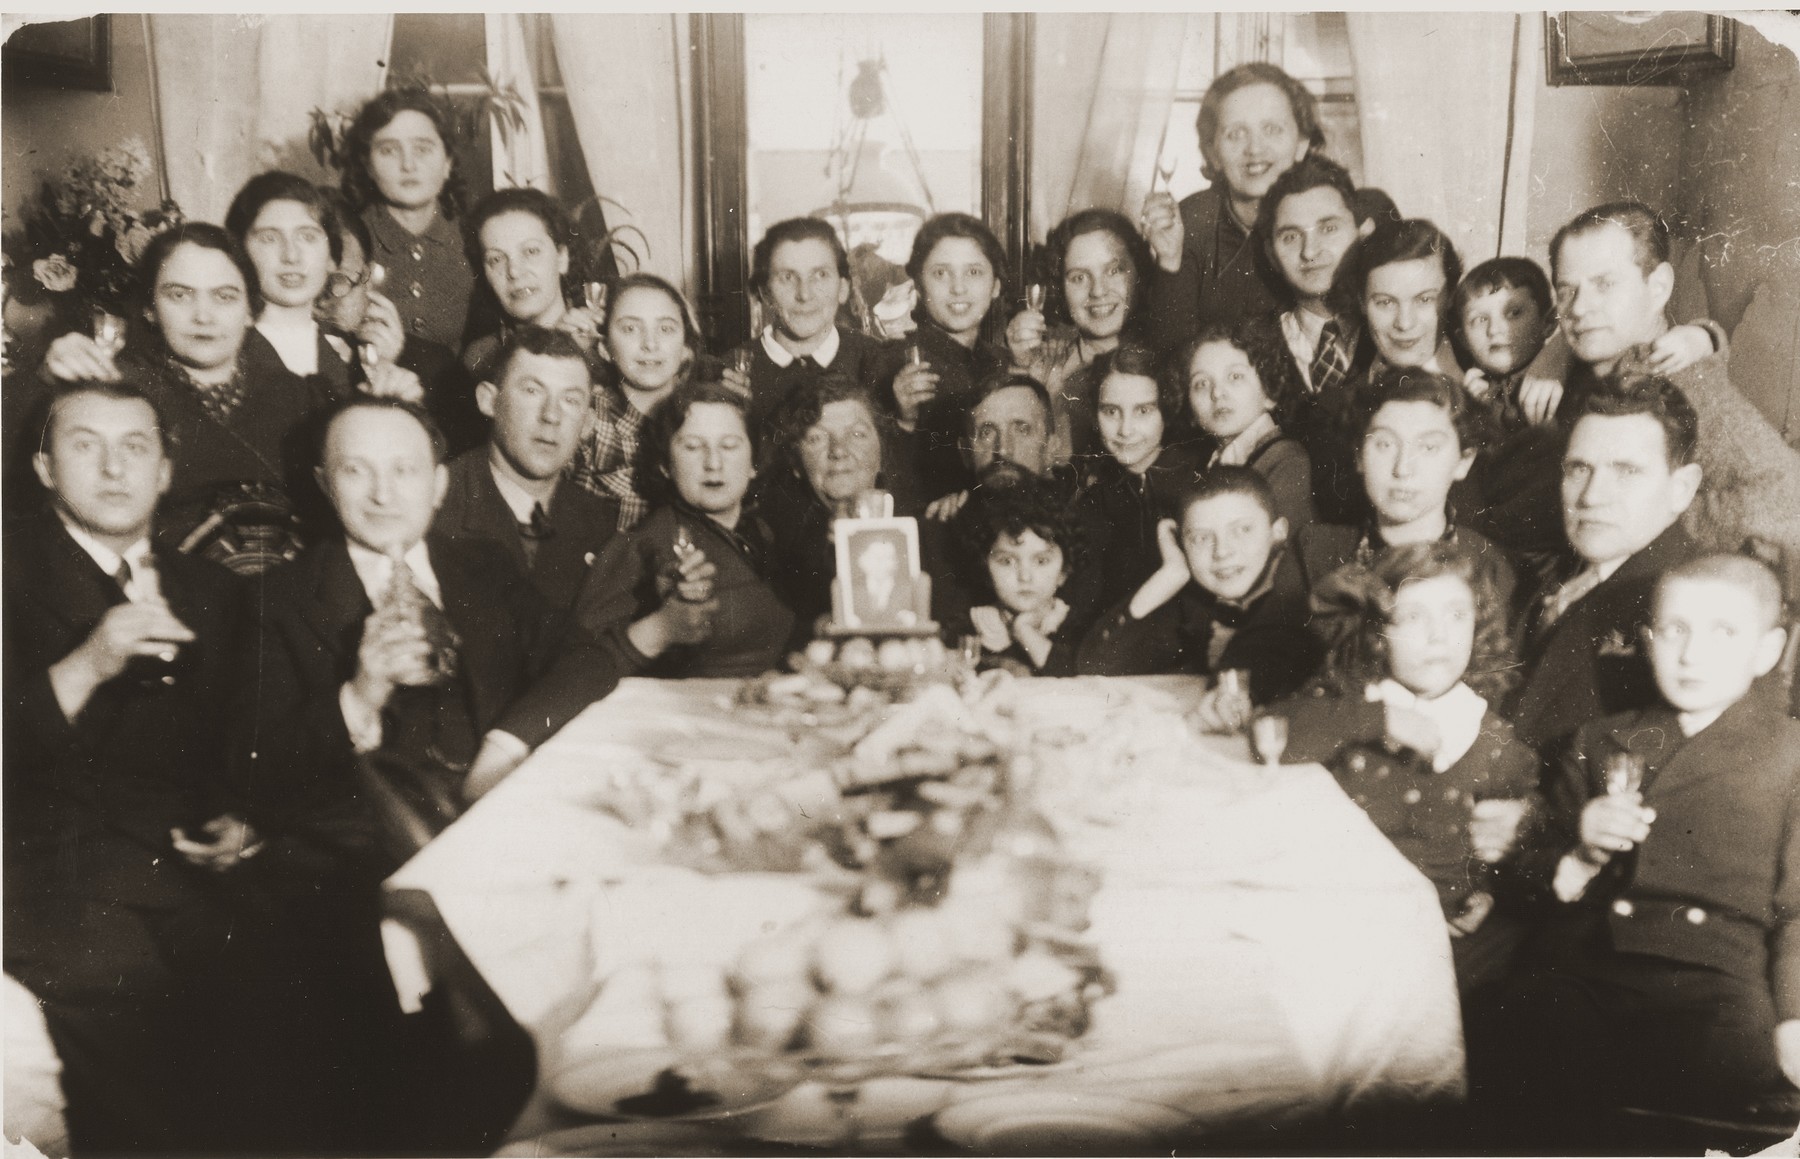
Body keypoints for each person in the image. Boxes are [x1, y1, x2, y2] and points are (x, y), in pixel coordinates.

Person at [4, 382, 271, 1154]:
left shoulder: (214, 592)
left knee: (290, 962)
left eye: (136, 447)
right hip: (41, 869)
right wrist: (86, 664)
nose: (114, 467)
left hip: (182, 863)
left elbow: (246, 738)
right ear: (46, 467)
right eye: (85, 444)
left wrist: (243, 817)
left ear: (164, 471)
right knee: (132, 1003)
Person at [1470, 552, 1800, 1144]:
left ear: (1769, 650)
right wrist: (1580, 854)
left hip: (1711, 981)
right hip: (1583, 966)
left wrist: (1797, 1016)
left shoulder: (1789, 754)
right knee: (1519, 1061)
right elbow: (1525, 877)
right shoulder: (1599, 741)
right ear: (1647, 641)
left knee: (1723, 1100)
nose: (1691, 654)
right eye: (1675, 630)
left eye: (1723, 632)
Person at [1271, 540, 1539, 993]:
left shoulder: (1493, 738)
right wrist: (1378, 719)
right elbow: (1271, 734)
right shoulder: (1354, 703)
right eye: (1414, 617)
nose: (1438, 636)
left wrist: (1491, 888)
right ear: (1378, 633)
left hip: (1438, 940)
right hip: (1336, 921)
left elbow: (1521, 830)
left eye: (1456, 615)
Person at [39, 223, 325, 568]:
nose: (203, 316)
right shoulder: (116, 388)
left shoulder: (297, 396)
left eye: (224, 296)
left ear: (250, 310)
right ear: (149, 308)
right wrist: (46, 374)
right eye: (179, 295)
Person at [1550, 201, 1800, 597]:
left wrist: (1671, 522)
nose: (1579, 309)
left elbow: (1790, 497)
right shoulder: (1597, 372)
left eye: (1605, 284)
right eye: (1566, 291)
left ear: (1659, 288)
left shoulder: (1683, 381)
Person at [1508, 373, 1704, 756]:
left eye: (1626, 471)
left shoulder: (1696, 604)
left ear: (1681, 489)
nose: (1592, 496)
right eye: (1579, 469)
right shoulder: (1547, 571)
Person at [1076, 467, 1323, 713]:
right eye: (1201, 538)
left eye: (1243, 530)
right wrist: (1170, 575)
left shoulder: (1309, 575)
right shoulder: (1195, 607)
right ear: (1182, 544)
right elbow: (1094, 666)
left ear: (1278, 532)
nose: (1222, 551)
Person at [1294, 368, 1516, 618]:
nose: (1403, 468)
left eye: (1429, 447)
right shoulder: (1314, 553)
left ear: (1464, 461)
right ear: (1358, 455)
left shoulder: (1489, 567)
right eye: (1385, 444)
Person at [433, 326, 620, 613]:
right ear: (488, 400)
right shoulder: (435, 505)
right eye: (532, 391)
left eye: (570, 400)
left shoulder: (600, 524)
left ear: (587, 424)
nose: (551, 416)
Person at [1140, 62, 1324, 347]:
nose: (1254, 148)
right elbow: (1169, 354)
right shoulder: (1191, 220)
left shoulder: (1337, 215)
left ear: (1301, 143)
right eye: (1236, 134)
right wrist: (1169, 261)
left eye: (1272, 129)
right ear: (1212, 152)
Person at [1237, 154, 1377, 522]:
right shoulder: (1246, 350)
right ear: (1270, 251)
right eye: (1290, 236)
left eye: (1328, 229)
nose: (1310, 252)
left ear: (1363, 233)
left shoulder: (1395, 334)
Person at [920, 372, 1106, 632]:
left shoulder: (1087, 530)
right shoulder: (939, 532)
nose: (1003, 449)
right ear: (965, 452)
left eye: (1022, 429)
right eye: (986, 432)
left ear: (1052, 446)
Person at [318, 191, 485, 455]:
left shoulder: (436, 369)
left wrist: (382, 369)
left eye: (338, 281)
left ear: (368, 277)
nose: (320, 300)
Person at [759, 375, 916, 637]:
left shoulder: (920, 529)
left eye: (857, 434)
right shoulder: (778, 544)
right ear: (797, 463)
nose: (838, 450)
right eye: (817, 438)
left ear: (882, 454)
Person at [1005, 208, 1155, 467]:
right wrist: (1022, 372)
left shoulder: (1161, 361)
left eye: (1114, 270)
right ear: (1060, 289)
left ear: (1137, 273)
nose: (1098, 291)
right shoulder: (1046, 365)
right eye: (1079, 277)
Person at [723, 217, 893, 437]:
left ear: (843, 288)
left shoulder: (878, 361)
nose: (804, 294)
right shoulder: (730, 374)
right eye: (787, 277)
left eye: (820, 275)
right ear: (765, 292)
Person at [569, 273, 710, 530]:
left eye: (665, 329)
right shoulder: (586, 419)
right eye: (630, 328)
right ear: (605, 347)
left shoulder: (708, 420)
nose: (650, 344)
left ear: (686, 348)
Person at [340, 87, 476, 350]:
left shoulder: (474, 241)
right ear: (368, 165)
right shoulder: (346, 241)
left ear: (447, 161)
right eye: (389, 150)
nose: (408, 165)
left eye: (423, 149)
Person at [884, 213, 1010, 496]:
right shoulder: (892, 362)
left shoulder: (1004, 362)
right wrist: (904, 420)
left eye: (974, 272)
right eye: (941, 273)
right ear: (918, 286)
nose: (958, 288)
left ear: (996, 286)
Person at [1073, 341, 1204, 612]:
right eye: (1110, 411)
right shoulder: (1094, 502)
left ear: (1166, 411)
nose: (1125, 429)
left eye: (1143, 411)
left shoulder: (1199, 481)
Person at [1179, 322, 1315, 530]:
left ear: (1269, 392)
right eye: (1202, 383)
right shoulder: (1208, 466)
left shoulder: (1286, 460)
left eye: (1235, 377)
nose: (1217, 393)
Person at [460, 187, 603, 382]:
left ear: (562, 258)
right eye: (496, 259)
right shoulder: (481, 358)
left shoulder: (605, 342)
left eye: (531, 251)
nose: (514, 272)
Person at [951, 481, 1087, 677]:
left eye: (1041, 561)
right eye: (1007, 561)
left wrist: (1024, 631)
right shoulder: (969, 628)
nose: (1025, 576)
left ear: (1064, 572)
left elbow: (1080, 680)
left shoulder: (1079, 629)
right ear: (985, 568)